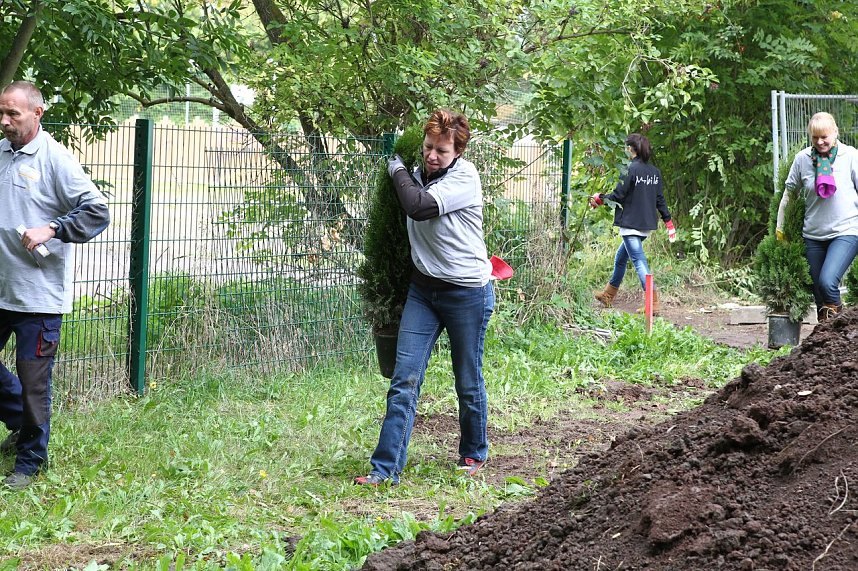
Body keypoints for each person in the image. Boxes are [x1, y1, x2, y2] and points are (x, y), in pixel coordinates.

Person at [354, 109, 495, 486]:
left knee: (467, 379)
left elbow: (418, 207)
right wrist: (405, 171)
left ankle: (473, 452)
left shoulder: (465, 178)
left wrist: (395, 169)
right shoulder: (418, 175)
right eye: (428, 147)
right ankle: (384, 469)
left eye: (442, 151)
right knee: (404, 379)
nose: (432, 155)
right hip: (424, 290)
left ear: (458, 153)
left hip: (467, 293)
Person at [0, 80, 110, 489]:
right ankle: (22, 423)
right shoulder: (2, 154)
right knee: (23, 394)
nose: (5, 121)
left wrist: (53, 228)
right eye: (1, 113)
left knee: (33, 383)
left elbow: (97, 211)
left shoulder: (55, 158)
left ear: (37, 113)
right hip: (1, 287)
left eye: (13, 113)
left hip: (38, 297)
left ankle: (30, 462)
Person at [776, 111, 858, 322]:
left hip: (846, 232)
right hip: (813, 235)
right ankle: (827, 344)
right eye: (815, 137)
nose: (820, 142)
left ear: (835, 133)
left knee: (828, 282)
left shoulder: (850, 157)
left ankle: (843, 331)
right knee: (819, 294)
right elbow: (789, 195)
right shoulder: (802, 159)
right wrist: (780, 229)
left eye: (825, 137)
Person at [590, 133, 675, 315]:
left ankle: (652, 302)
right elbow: (660, 199)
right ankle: (608, 295)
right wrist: (668, 221)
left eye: (626, 147)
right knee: (621, 258)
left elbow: (619, 195)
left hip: (630, 224)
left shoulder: (630, 169)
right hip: (645, 225)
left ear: (631, 149)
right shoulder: (654, 172)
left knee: (638, 261)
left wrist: (600, 198)